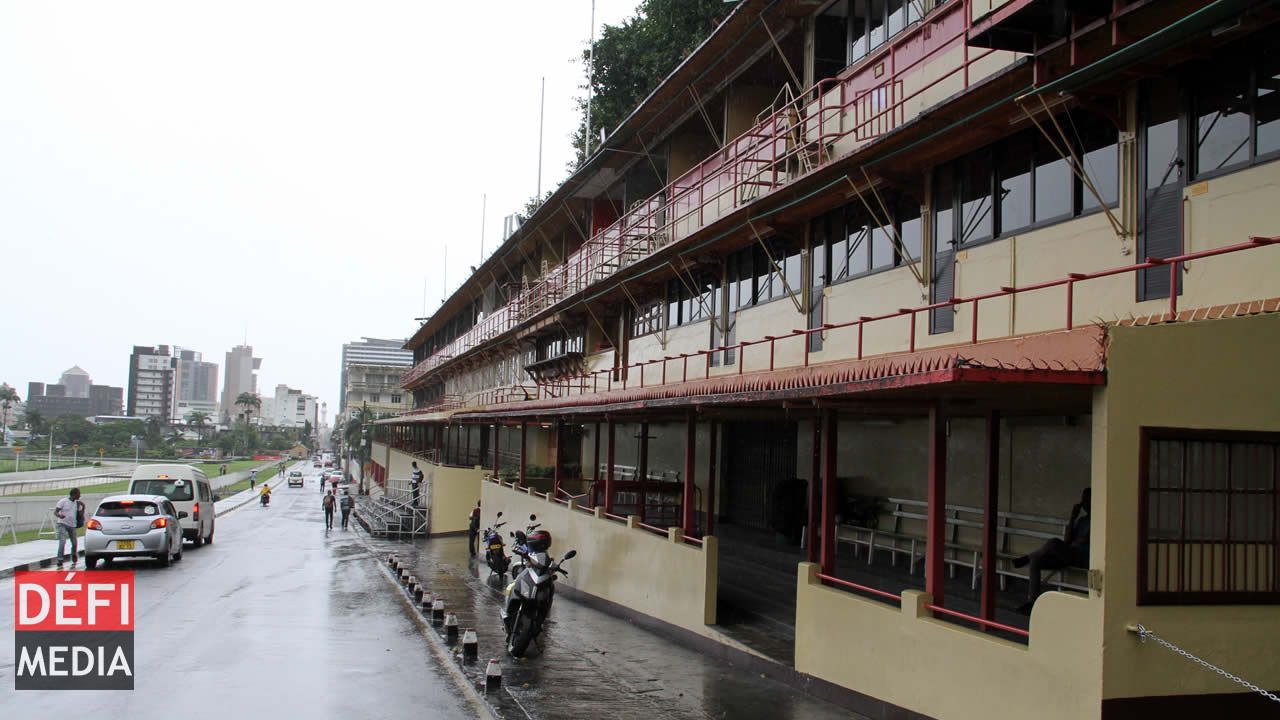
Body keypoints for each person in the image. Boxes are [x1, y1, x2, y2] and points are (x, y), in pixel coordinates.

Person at [1014, 488, 1091, 613]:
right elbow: (1067, 540)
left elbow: (1083, 540)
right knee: (1036, 561)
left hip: (1082, 558)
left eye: (1087, 500)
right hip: (1070, 554)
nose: (1083, 503)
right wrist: (1072, 518)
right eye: (1083, 500)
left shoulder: (1097, 520)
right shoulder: (1082, 521)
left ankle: (1027, 557)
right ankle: (1032, 601)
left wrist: (1072, 543)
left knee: (1054, 542)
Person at [53, 488, 83, 568]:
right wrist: (60, 515)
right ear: (74, 494)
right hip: (62, 524)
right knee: (62, 542)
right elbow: (55, 512)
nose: (80, 495)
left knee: (74, 543)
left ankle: (73, 555)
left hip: (72, 525)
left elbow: (80, 515)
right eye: (78, 494)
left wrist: (82, 508)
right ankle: (60, 560)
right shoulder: (63, 501)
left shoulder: (78, 504)